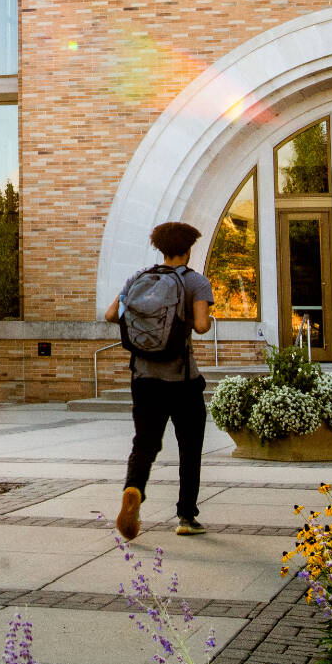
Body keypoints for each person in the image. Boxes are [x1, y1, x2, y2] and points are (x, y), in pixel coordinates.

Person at [103, 221, 212, 541]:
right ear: (188, 250)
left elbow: (111, 315)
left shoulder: (138, 278)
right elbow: (203, 326)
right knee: (190, 447)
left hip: (143, 377)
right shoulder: (195, 282)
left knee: (145, 443)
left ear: (161, 249)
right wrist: (188, 318)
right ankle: (186, 516)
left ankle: (133, 488)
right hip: (182, 379)